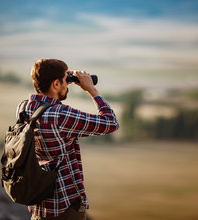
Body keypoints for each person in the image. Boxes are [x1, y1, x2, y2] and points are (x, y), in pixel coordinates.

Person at [20, 58, 119, 219]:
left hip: (38, 206)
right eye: (66, 81)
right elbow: (111, 123)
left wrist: (64, 77)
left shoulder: (24, 108)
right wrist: (92, 90)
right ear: (56, 84)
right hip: (64, 208)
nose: (68, 85)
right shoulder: (60, 115)